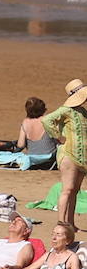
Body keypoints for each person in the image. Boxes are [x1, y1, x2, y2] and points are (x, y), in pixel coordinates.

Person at [44, 79, 87, 231]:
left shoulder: (83, 112)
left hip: (82, 157)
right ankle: (61, 222)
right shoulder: (65, 110)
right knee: (67, 189)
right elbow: (47, 120)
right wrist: (58, 136)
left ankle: (70, 223)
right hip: (68, 154)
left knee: (75, 190)